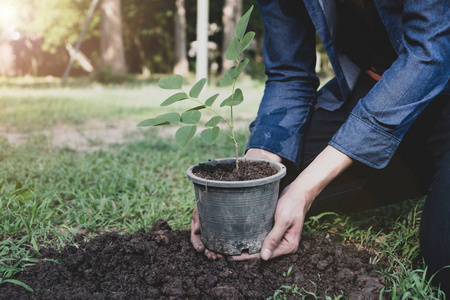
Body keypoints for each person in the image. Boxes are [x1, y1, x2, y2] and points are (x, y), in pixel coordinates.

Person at [191, 0, 450, 292]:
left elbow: (430, 55)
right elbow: (289, 73)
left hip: (440, 82)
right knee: (269, 191)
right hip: (378, 88)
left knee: (445, 264)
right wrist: (251, 177)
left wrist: (305, 189)